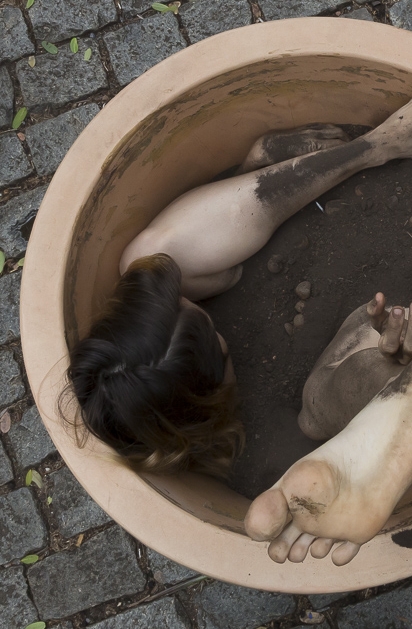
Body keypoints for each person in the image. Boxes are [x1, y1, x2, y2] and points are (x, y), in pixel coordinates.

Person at [64, 99, 412, 562]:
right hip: (300, 414)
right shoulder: (219, 458)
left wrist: (374, 146)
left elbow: (163, 271)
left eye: (190, 309)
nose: (219, 328)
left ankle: (320, 155)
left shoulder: (135, 361)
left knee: (147, 258)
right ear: (204, 403)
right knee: (328, 401)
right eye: (220, 347)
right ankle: (392, 393)